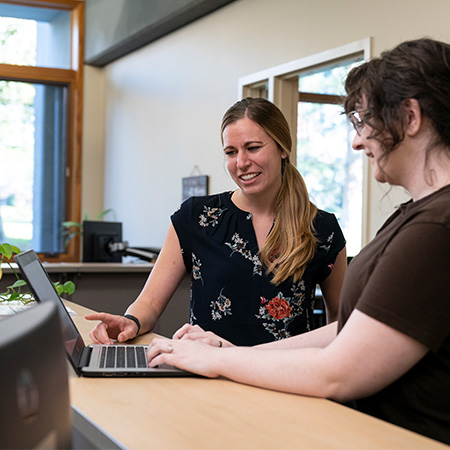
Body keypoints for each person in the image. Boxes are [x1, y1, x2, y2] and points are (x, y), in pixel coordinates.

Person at [146, 38, 450, 445]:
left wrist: (217, 358)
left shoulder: (436, 229)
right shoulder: (416, 215)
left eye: (365, 121)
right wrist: (225, 349)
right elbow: (347, 331)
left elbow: (338, 370)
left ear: (410, 117)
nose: (358, 141)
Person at [87, 98, 347, 347]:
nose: (241, 163)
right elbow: (150, 304)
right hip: (208, 377)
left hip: (286, 382)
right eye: (231, 152)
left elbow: (341, 324)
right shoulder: (196, 217)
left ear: (282, 149)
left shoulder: (322, 229)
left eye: (253, 148)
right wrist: (130, 321)